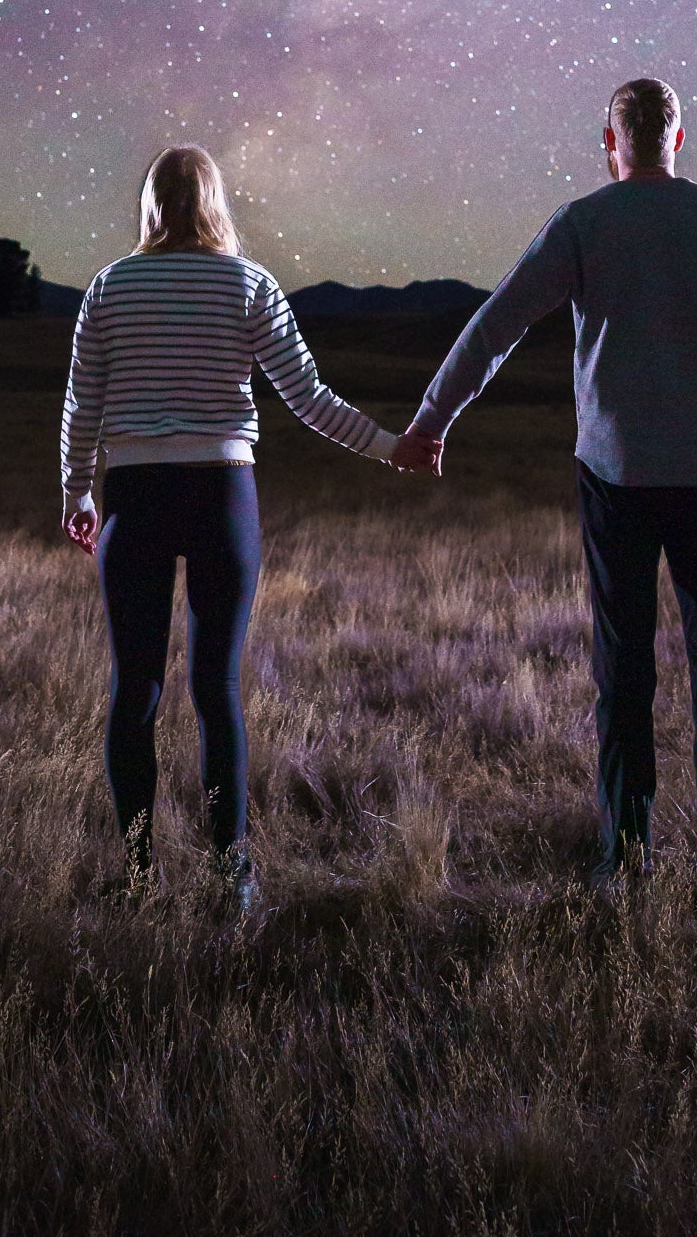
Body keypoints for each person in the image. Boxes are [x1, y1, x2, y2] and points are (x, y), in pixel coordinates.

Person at [405, 78, 697, 909]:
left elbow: (494, 326)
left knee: (625, 670)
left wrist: (434, 419)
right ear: (680, 140)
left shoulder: (585, 223)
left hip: (616, 475)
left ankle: (627, 858)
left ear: (608, 143)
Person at [61, 145, 438, 909]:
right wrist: (388, 447)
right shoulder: (248, 282)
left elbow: (82, 405)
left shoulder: (110, 286)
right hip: (222, 496)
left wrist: (77, 494)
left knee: (134, 689)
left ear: (150, 203)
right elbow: (307, 396)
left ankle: (140, 876)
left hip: (134, 496)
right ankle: (230, 877)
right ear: (214, 200)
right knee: (215, 689)